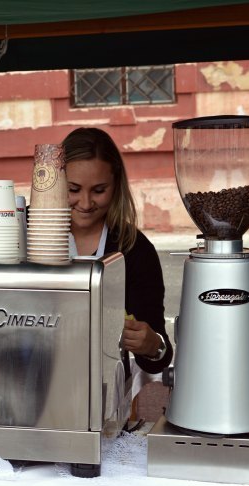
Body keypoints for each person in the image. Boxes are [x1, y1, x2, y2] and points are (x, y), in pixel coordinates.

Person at [62, 127, 173, 374]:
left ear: (116, 185)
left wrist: (152, 345)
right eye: (73, 189)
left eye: (99, 190)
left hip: (105, 383)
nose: (85, 203)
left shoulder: (134, 248)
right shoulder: (23, 230)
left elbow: (159, 357)